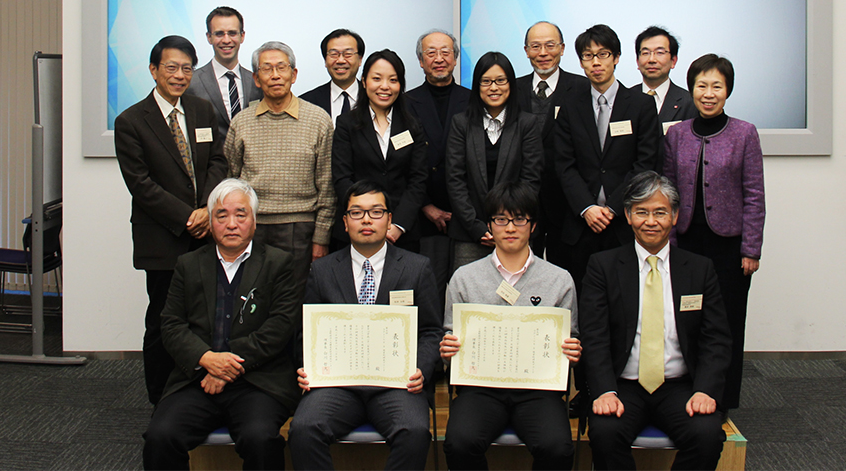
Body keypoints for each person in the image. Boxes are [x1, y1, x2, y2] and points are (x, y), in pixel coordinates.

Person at [143, 179, 299, 471]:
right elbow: (171, 325)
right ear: (210, 223)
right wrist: (205, 359)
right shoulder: (188, 264)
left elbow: (280, 327)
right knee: (160, 437)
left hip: (257, 382)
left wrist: (226, 366)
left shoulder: (279, 264)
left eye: (241, 214)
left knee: (260, 439)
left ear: (254, 221)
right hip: (197, 380)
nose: (231, 224)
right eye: (221, 215)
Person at [579, 171, 731, 471]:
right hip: (623, 385)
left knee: (707, 435)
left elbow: (716, 338)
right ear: (628, 216)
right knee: (605, 434)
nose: (651, 221)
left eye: (660, 212)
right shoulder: (603, 267)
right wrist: (604, 391)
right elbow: (594, 336)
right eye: (642, 212)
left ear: (675, 216)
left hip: (679, 386)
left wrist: (705, 390)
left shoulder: (699, 269)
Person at [288, 180, 443, 471]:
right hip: (337, 385)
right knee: (304, 430)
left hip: (397, 385)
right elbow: (306, 333)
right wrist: (307, 367)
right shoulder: (322, 270)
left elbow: (431, 331)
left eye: (376, 212)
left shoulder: (417, 268)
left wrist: (421, 369)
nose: (367, 220)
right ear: (345, 222)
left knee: (414, 431)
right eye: (357, 213)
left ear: (389, 220)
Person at [115, 35, 228, 405]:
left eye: (187, 69)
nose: (180, 75)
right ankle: (161, 399)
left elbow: (217, 161)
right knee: (164, 320)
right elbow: (141, 185)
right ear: (154, 70)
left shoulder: (201, 110)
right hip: (163, 238)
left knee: (206, 317)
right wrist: (187, 217)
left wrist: (207, 209)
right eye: (171, 67)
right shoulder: (131, 121)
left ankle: (198, 392)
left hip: (206, 234)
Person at [440, 182, 581, 471]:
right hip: (480, 388)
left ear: (533, 225)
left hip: (538, 390)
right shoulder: (464, 278)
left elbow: (571, 337)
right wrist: (448, 348)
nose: (510, 228)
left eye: (519, 219)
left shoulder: (559, 279)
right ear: (489, 226)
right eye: (501, 219)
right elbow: (450, 335)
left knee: (557, 448)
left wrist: (572, 350)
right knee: (459, 442)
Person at [663, 54, 765, 414]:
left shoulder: (744, 133)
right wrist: (668, 243)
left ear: (728, 90)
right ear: (691, 89)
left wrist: (751, 249)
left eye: (716, 86)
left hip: (729, 249)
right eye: (701, 86)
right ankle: (689, 394)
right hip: (686, 244)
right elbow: (668, 193)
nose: (708, 94)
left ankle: (722, 399)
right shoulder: (676, 134)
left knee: (727, 324)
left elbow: (754, 194)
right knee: (687, 321)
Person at [223, 41, 336, 308]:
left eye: (281, 68)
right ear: (256, 78)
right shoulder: (242, 122)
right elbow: (230, 180)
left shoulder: (318, 119)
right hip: (251, 227)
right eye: (267, 69)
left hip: (300, 228)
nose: (275, 75)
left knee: (293, 304)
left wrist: (321, 238)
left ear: (293, 75)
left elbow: (327, 186)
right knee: (250, 302)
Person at [553, 24, 661, 292]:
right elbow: (564, 164)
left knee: (624, 300)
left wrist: (612, 208)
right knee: (580, 299)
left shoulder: (641, 105)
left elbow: (645, 165)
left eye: (603, 54)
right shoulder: (570, 105)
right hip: (580, 224)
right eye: (588, 56)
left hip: (624, 224)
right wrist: (588, 208)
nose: (596, 62)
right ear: (581, 62)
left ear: (616, 57)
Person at [447, 52, 542, 271]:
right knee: (470, 289)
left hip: (514, 231)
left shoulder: (527, 124)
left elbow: (531, 179)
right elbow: (455, 180)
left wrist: (505, 224)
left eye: (500, 81)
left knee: (516, 289)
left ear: (511, 84)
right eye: (486, 81)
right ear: (477, 85)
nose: (493, 88)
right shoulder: (461, 123)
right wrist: (476, 226)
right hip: (470, 233)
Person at [331, 50, 428, 253]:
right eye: (377, 79)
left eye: (393, 80)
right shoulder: (346, 124)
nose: (385, 86)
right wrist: (366, 219)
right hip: (356, 230)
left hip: (402, 234)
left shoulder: (413, 125)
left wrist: (397, 225)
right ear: (364, 81)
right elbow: (342, 178)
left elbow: (418, 180)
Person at [406, 29, 471, 304]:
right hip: (423, 215)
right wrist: (426, 206)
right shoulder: (405, 102)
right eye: (431, 53)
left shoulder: (474, 100)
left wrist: (464, 209)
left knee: (466, 293)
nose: (439, 58)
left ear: (455, 59)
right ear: (421, 61)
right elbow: (402, 162)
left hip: (467, 215)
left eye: (446, 52)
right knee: (427, 293)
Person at [516, 21, 589, 258]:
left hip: (568, 203)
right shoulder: (512, 90)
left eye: (550, 45)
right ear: (526, 50)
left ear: (562, 48)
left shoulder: (582, 88)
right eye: (536, 46)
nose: (543, 53)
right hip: (522, 202)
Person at [186, 6, 263, 142]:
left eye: (232, 33)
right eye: (219, 34)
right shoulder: (192, 82)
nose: (226, 40)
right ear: (209, 37)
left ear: (242, 36)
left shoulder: (256, 82)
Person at [630, 26, 697, 129]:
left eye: (660, 53)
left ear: (673, 61)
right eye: (645, 53)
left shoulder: (689, 103)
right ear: (637, 61)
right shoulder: (624, 100)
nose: (652, 59)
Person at [300, 28, 365, 125]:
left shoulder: (373, 98)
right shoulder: (306, 102)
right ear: (325, 61)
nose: (340, 60)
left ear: (360, 59)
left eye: (348, 54)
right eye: (334, 54)